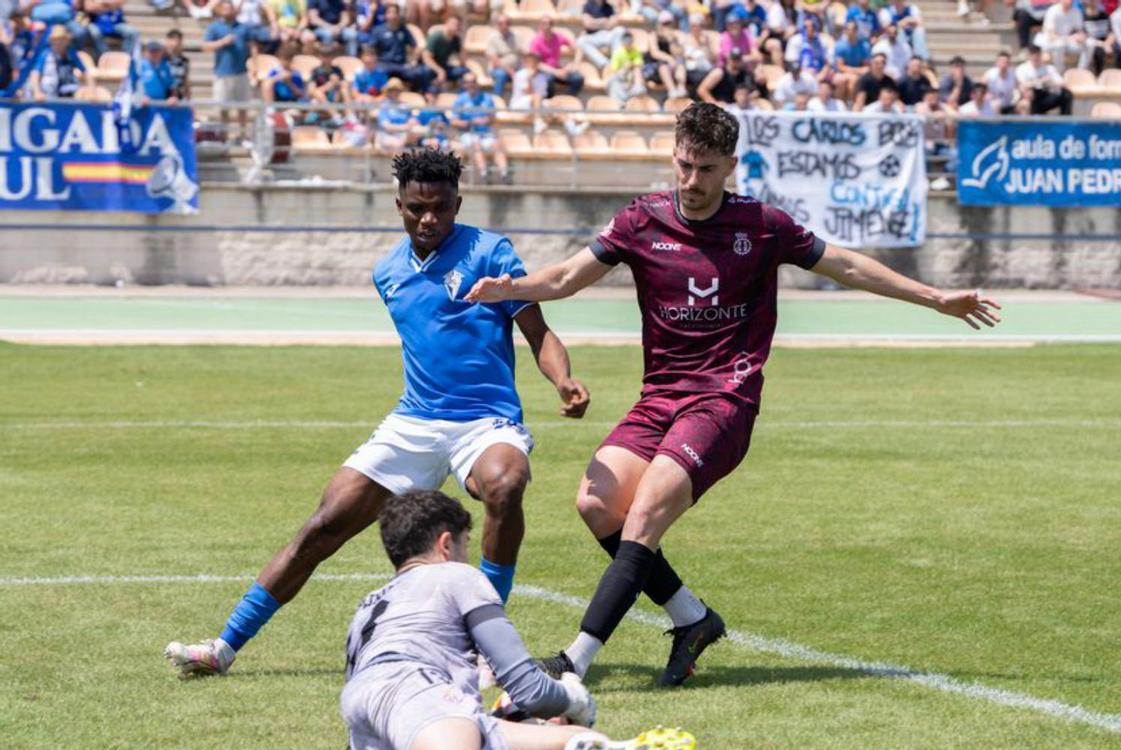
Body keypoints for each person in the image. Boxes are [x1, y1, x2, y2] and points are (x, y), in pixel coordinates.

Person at [465, 103, 1001, 688]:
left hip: (724, 400)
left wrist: (934, 298)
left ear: (731, 167)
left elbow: (847, 266)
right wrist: (508, 289)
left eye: (706, 170)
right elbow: (566, 278)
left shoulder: (762, 225)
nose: (691, 182)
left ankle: (574, 662)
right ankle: (692, 618)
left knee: (643, 515)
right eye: (684, 165)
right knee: (596, 505)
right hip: (659, 398)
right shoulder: (641, 221)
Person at [165, 148, 592, 678]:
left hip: (485, 421)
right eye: (417, 208)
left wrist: (563, 379)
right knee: (323, 525)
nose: (429, 218)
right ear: (399, 205)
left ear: (458, 202)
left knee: (505, 485)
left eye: (440, 207)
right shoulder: (387, 271)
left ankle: (487, 645)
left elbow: (538, 333)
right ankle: (224, 647)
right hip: (414, 421)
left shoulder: (491, 252)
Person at [198, 490, 696, 750]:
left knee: (573, 743)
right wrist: (570, 698)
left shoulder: (373, 599)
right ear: (444, 543)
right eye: (462, 543)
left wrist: (553, 718)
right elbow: (524, 683)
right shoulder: (459, 576)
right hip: (414, 692)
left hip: (374, 712)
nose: (464, 553)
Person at [204, 1, 253, 140]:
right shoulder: (215, 27)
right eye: (224, 9)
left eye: (229, 9)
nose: (227, 11)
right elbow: (205, 46)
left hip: (241, 72)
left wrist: (253, 65)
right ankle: (224, 136)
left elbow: (251, 46)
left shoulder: (243, 28)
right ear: (220, 11)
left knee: (242, 107)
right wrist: (222, 42)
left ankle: (243, 135)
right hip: (222, 72)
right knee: (223, 107)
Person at [450, 71, 509, 181]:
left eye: (473, 81)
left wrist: (485, 120)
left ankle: (504, 175)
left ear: (477, 83)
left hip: (485, 133)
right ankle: (484, 174)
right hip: (467, 133)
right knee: (475, 144)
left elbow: (493, 118)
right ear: (464, 84)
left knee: (497, 144)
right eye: (468, 82)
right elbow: (453, 121)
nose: (471, 84)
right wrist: (470, 123)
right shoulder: (460, 100)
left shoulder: (487, 98)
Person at [370, 3, 434, 90]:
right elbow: (370, 49)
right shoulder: (378, 30)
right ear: (385, 15)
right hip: (384, 64)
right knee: (378, 74)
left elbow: (415, 46)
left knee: (421, 72)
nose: (393, 15)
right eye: (390, 13)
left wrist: (413, 60)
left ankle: (419, 95)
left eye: (395, 13)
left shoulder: (403, 30)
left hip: (401, 65)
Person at [28, 24, 90, 99]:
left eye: (62, 39)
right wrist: (37, 92)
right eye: (55, 40)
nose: (59, 43)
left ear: (67, 41)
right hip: (49, 94)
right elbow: (35, 74)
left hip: (68, 92)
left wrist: (92, 91)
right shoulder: (45, 55)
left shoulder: (71, 54)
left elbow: (86, 72)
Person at [529, 14, 584, 97]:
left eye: (549, 24)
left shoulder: (558, 37)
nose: (547, 26)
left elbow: (578, 49)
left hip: (557, 69)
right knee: (548, 80)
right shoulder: (536, 41)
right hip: (544, 71)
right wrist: (555, 72)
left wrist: (573, 65)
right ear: (540, 26)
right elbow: (536, 64)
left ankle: (565, 98)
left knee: (578, 79)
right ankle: (550, 101)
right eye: (544, 24)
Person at [1038, 0, 1093, 72]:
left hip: (1068, 42)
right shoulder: (1052, 11)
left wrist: (1082, 37)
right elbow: (1051, 36)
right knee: (1059, 45)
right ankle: (1060, 72)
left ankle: (1080, 72)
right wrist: (1070, 38)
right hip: (1050, 43)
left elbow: (1079, 30)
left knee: (1090, 44)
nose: (1070, 1)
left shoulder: (1076, 11)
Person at [1016, 43, 1071, 113]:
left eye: (1037, 54)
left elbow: (1062, 83)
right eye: (1032, 54)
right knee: (1028, 94)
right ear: (1029, 56)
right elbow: (1023, 86)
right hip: (1031, 98)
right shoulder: (1022, 68)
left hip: (1045, 95)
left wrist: (1051, 82)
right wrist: (1040, 81)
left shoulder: (1049, 68)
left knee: (1066, 94)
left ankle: (1065, 121)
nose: (1035, 57)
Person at [422, 14, 466, 89]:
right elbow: (426, 58)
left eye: (458, 25)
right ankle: (429, 90)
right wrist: (440, 71)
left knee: (464, 71)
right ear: (447, 24)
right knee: (425, 72)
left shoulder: (456, 39)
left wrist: (461, 41)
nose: (455, 27)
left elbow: (463, 62)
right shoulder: (436, 37)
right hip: (431, 67)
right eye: (453, 24)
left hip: (444, 66)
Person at [577, 0, 624, 69]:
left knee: (620, 30)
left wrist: (594, 22)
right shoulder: (588, 6)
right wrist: (603, 21)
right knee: (581, 41)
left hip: (607, 35)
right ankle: (605, 64)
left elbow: (613, 23)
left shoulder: (609, 6)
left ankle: (616, 62)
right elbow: (587, 24)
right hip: (593, 36)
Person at [376, 76, 419, 147]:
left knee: (415, 133)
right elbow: (387, 126)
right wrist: (405, 127)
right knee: (398, 144)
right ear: (388, 92)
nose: (395, 92)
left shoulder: (405, 105)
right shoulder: (384, 105)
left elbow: (412, 120)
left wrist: (411, 124)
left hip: (404, 134)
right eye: (392, 90)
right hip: (388, 135)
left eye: (397, 90)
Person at [607, 29, 646, 101]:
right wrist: (625, 67)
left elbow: (640, 62)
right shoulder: (618, 53)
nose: (628, 43)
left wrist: (631, 64)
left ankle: (638, 87)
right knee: (613, 81)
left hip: (632, 75)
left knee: (637, 69)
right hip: (622, 74)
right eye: (627, 41)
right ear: (623, 42)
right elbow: (614, 69)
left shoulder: (635, 50)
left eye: (630, 41)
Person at [485, 12, 518, 96]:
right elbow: (495, 62)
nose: (504, 26)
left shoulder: (516, 36)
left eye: (507, 23)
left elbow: (523, 53)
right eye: (500, 23)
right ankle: (497, 101)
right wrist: (510, 71)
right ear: (497, 24)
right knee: (501, 74)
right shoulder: (492, 38)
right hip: (497, 69)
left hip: (515, 69)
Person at [982, 49, 1019, 113]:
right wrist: (987, 95)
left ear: (1009, 63)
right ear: (997, 63)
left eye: (1006, 62)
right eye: (1001, 62)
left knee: (1023, 104)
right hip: (993, 105)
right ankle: (995, 123)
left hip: (1009, 104)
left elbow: (1020, 87)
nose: (1003, 64)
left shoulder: (1013, 74)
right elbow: (981, 88)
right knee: (996, 105)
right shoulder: (989, 75)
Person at [165, 28, 191, 99]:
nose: (176, 44)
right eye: (173, 40)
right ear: (167, 41)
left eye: (179, 41)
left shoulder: (184, 61)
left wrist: (188, 98)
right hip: (164, 98)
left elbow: (185, 81)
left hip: (178, 97)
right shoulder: (162, 59)